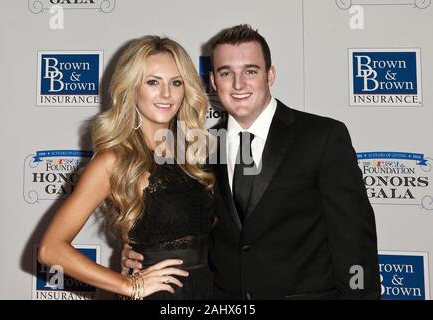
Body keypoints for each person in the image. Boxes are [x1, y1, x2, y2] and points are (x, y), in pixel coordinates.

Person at [122, 25, 381, 300]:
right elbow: (188, 224)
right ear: (213, 81)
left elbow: (354, 241)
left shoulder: (321, 137)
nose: (238, 84)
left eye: (250, 71)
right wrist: (137, 250)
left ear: (270, 74)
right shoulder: (201, 148)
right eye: (226, 73)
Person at [38, 35, 216, 300]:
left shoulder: (196, 152)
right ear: (132, 87)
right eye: (153, 82)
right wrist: (127, 285)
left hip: (209, 290)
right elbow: (50, 249)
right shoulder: (114, 160)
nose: (166, 94)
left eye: (176, 82)